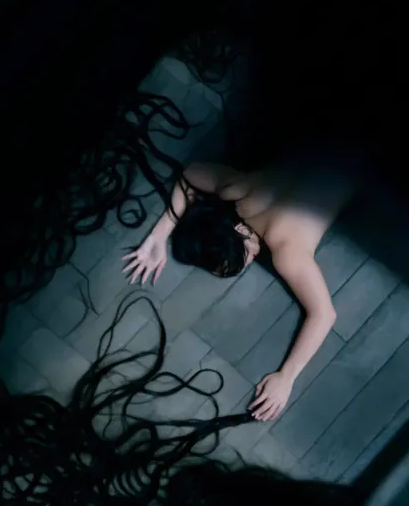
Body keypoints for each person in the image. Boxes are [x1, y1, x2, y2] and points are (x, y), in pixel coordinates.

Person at [122, 155, 362, 422]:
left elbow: (324, 315)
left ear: (238, 231)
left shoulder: (285, 248)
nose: (248, 263)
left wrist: (286, 377)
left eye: (241, 260)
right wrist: (159, 235)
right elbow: (190, 173)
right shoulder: (238, 188)